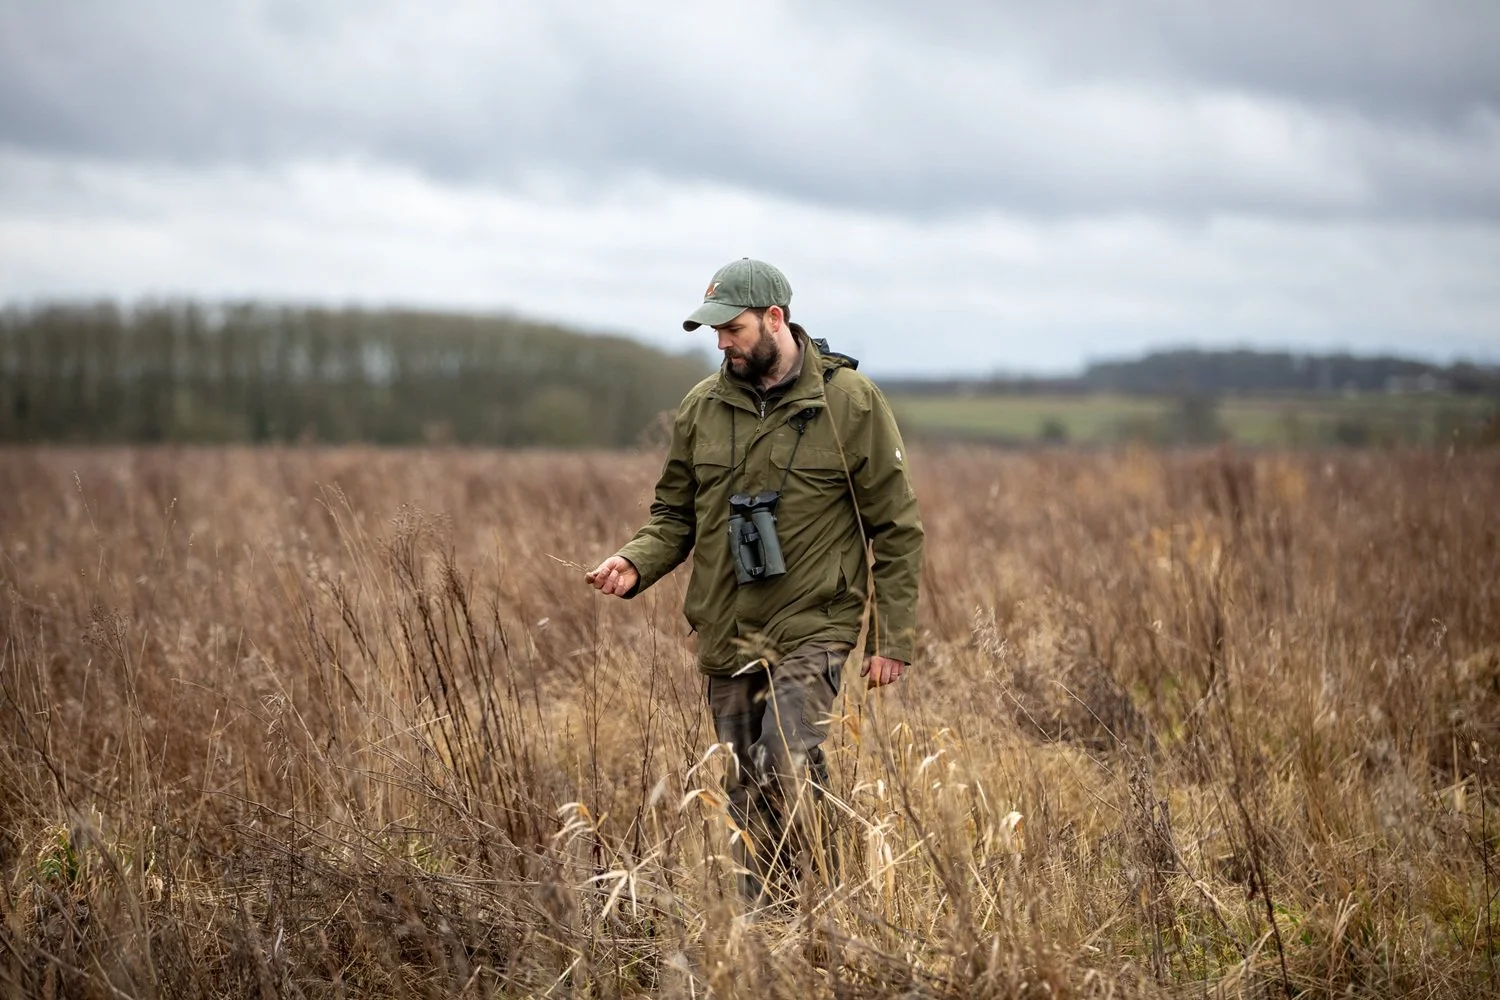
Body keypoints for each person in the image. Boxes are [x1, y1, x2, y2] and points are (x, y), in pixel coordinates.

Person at [586, 258, 923, 904]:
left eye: (732, 328)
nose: (720, 343)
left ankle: (820, 896)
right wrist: (636, 561)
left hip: (814, 623)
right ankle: (768, 916)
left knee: (782, 758)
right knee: (744, 781)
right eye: (713, 331)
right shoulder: (702, 409)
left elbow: (898, 526)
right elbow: (673, 516)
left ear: (776, 319)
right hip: (727, 627)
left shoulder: (850, 403)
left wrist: (892, 636)